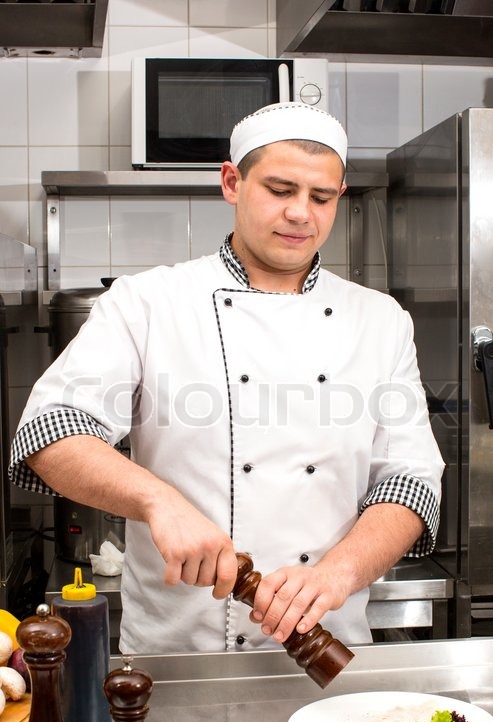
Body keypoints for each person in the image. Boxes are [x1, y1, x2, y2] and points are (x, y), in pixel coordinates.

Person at [9, 102, 444, 655]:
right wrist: (158, 501)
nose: (301, 214)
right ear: (232, 182)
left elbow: (410, 480)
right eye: (281, 190)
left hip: (326, 645)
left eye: (321, 197)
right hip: (177, 657)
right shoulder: (147, 303)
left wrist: (337, 574)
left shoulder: (381, 320)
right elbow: (49, 431)